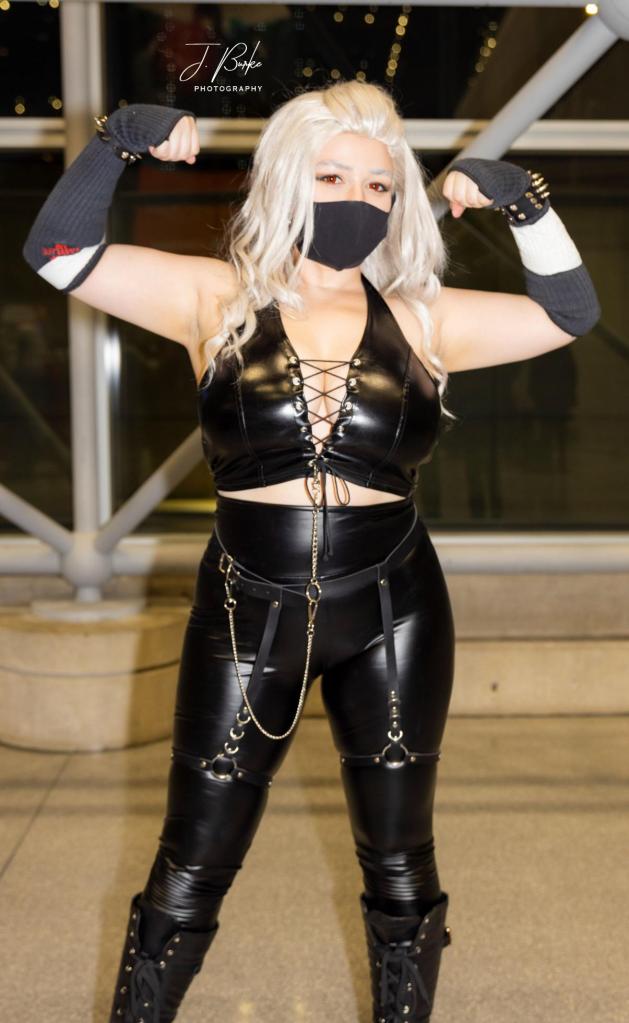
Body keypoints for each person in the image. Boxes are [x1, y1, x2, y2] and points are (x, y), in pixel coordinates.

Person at [22, 80, 600, 1023]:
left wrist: (525, 204)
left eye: (378, 186)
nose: (356, 200)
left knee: (400, 858)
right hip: (246, 604)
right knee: (192, 858)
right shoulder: (213, 296)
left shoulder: (424, 315)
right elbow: (56, 253)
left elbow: (567, 312)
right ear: (288, 180)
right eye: (331, 176)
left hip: (395, 606)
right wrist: (116, 142)